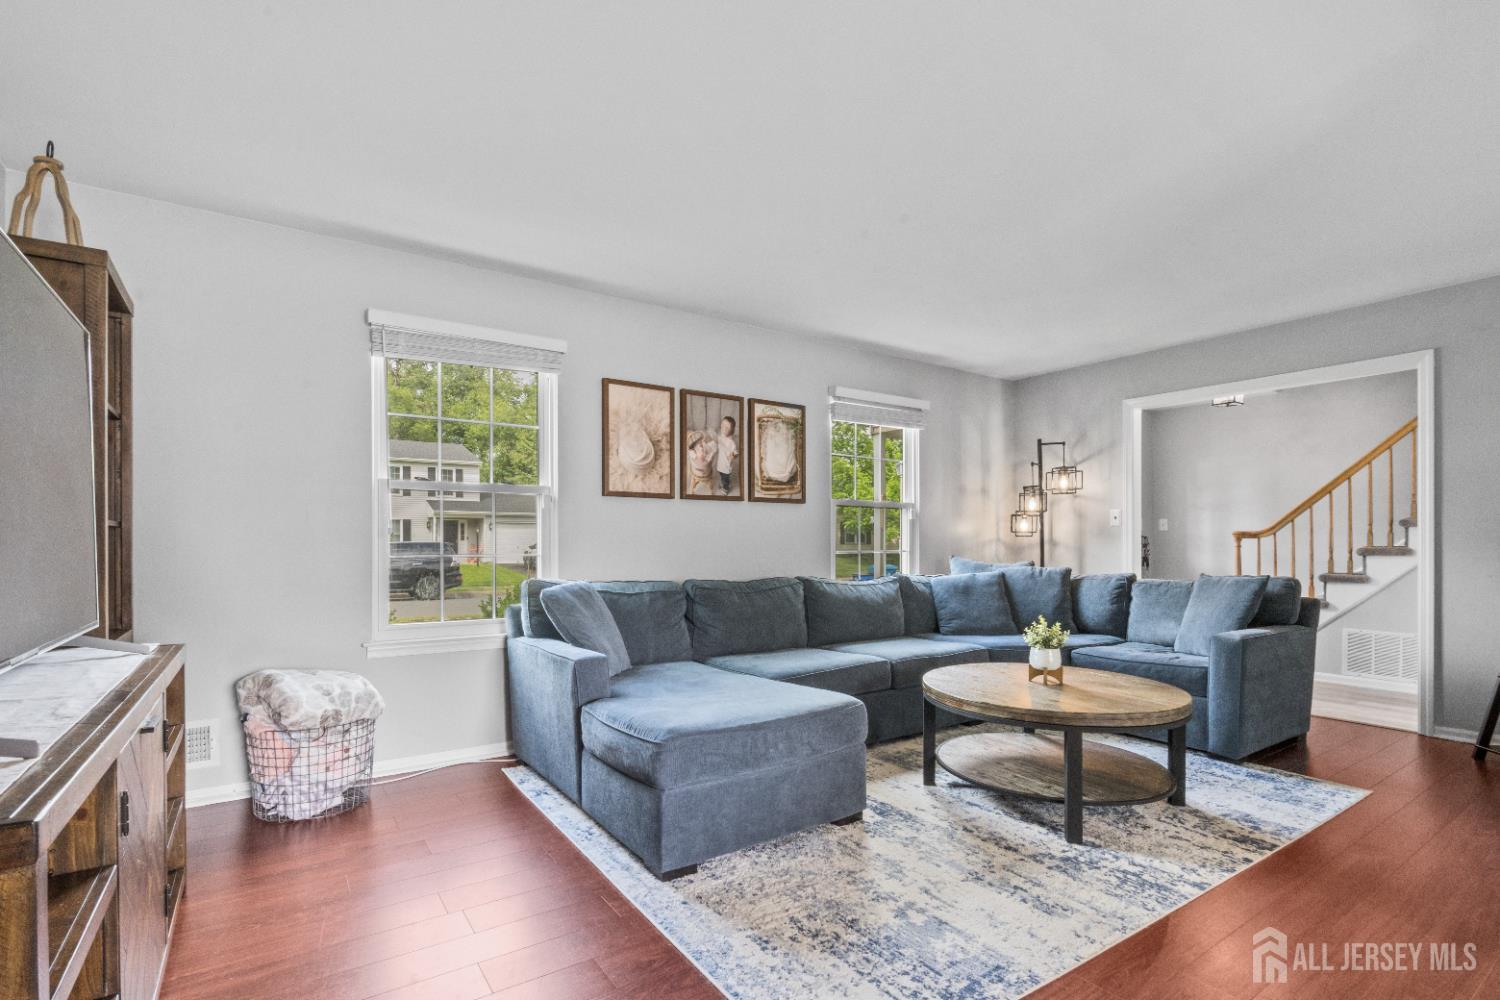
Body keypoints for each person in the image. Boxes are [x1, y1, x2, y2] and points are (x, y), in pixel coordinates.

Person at [715, 415, 738, 495]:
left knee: (725, 477)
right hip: (720, 462)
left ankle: (726, 487)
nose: (724, 428)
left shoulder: (731, 442)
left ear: (731, 430)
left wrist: (733, 455)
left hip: (726, 464)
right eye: (723, 425)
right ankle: (723, 482)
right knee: (721, 474)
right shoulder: (720, 437)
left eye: (727, 427)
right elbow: (716, 443)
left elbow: (735, 452)